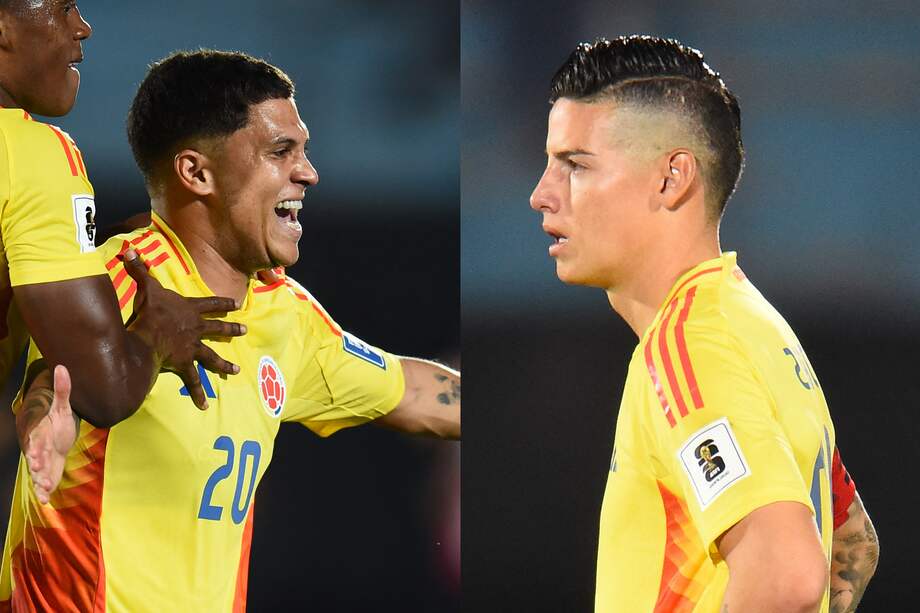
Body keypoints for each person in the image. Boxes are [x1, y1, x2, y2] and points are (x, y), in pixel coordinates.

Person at [0, 49, 460, 611]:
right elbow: (51, 380)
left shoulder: (286, 316)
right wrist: (42, 424)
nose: (308, 172)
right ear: (196, 172)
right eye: (279, 151)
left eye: (304, 151)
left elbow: (410, 390)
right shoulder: (120, 279)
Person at [529, 36, 878, 612]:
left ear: (671, 178)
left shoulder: (686, 345)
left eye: (575, 165)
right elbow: (853, 545)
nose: (542, 194)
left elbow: (787, 574)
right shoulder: (756, 323)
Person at [0, 0, 246, 499]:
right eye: (61, 6)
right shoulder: (30, 152)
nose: (82, 27)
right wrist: (157, 333)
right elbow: (104, 389)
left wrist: (95, 244)